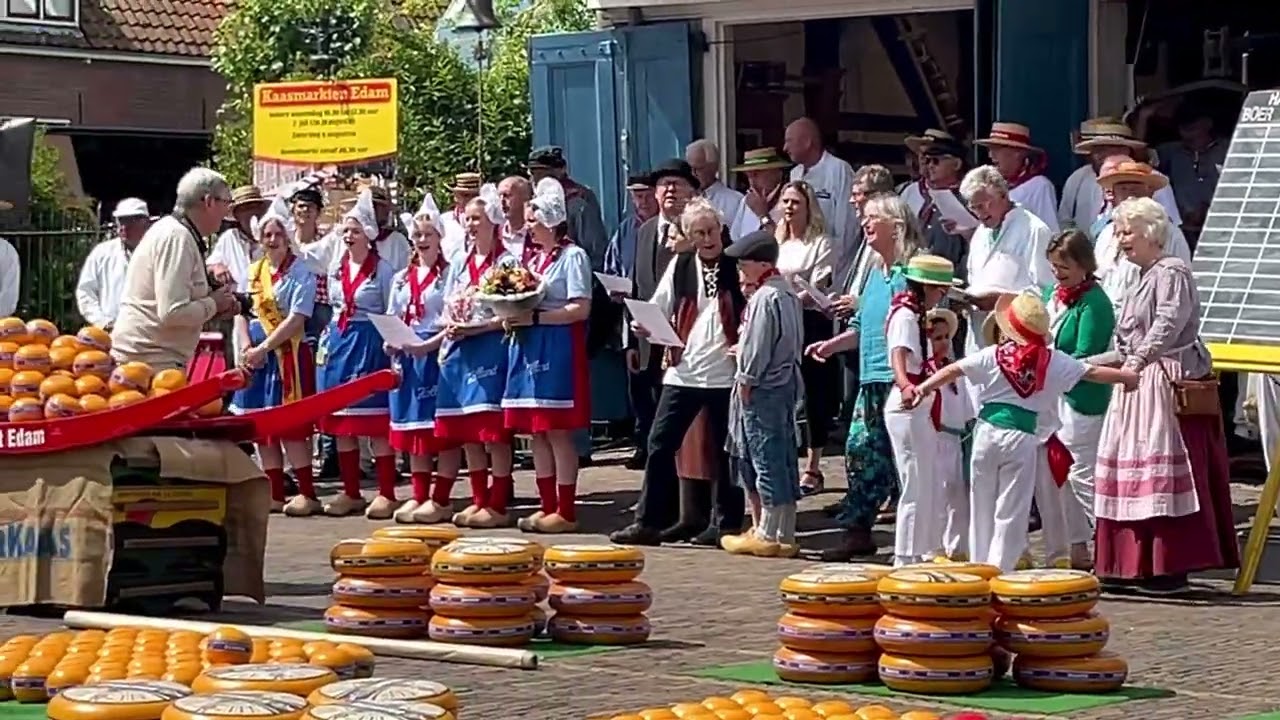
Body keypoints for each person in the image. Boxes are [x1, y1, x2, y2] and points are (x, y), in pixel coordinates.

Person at [907, 293, 1137, 571]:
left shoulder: (992, 355)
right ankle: (1001, 566)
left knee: (982, 504)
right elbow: (1091, 373)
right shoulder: (1051, 360)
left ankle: (981, 564)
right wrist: (1125, 377)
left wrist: (922, 388)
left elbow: (954, 369)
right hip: (1022, 437)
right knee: (1011, 507)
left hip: (987, 433)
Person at [1092, 197, 1239, 594]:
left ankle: (1167, 566)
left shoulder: (1172, 271)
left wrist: (1136, 363)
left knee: (1162, 474)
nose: (1121, 239)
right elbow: (1128, 343)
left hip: (1165, 385)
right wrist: (1084, 365)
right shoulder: (1142, 278)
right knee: (1131, 472)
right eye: (1119, 232)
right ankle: (1128, 565)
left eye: (1128, 231)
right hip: (1137, 385)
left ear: (1150, 232)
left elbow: (1167, 324)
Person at [611, 197, 747, 546]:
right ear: (689, 236)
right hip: (684, 371)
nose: (708, 238)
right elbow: (658, 305)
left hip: (725, 373)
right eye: (699, 233)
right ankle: (648, 522)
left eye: (712, 230)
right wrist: (644, 325)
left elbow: (751, 308)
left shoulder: (737, 264)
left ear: (722, 229)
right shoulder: (681, 264)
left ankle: (726, 524)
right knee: (659, 443)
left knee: (725, 450)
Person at [807, 193, 919, 559]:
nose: (865, 223)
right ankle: (858, 530)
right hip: (871, 377)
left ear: (895, 225)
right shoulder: (874, 273)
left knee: (904, 459)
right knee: (861, 451)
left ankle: (915, 538)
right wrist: (831, 346)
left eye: (873, 217)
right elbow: (861, 326)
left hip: (901, 379)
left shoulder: (911, 273)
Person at [503, 179, 594, 534]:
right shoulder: (532, 258)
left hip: (557, 345)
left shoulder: (573, 256)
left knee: (557, 431)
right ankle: (547, 506)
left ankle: (565, 510)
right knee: (537, 433)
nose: (528, 227)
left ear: (552, 222)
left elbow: (580, 308)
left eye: (534, 221)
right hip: (530, 344)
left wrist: (537, 318)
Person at [229, 196, 321, 516]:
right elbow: (241, 311)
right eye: (267, 234)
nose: (272, 239)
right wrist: (246, 347)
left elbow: (297, 318)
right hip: (257, 355)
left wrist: (263, 348)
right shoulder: (254, 271)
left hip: (287, 353)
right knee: (263, 428)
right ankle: (275, 493)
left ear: (288, 236)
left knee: (290, 427)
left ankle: (307, 492)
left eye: (278, 233)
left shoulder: (302, 272)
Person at [435, 187, 517, 529]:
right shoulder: (459, 261)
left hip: (491, 347)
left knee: (493, 432)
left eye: (477, 218)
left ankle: (498, 503)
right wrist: (451, 324)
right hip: (461, 349)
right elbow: (447, 301)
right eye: (467, 219)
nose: (470, 225)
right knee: (469, 431)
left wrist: (478, 326)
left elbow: (511, 312)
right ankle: (479, 499)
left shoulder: (507, 261)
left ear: (493, 221)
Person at [720, 230, 805, 557]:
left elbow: (757, 346)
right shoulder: (788, 294)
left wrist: (746, 378)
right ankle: (785, 530)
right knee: (782, 455)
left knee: (764, 455)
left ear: (762, 264)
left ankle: (768, 531)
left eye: (745, 264)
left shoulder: (764, 298)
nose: (741, 269)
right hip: (785, 383)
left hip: (764, 386)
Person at [316, 189, 397, 519]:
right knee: (343, 421)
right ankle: (351, 491)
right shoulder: (337, 268)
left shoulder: (383, 270)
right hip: (340, 341)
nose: (349, 236)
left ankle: (387, 492)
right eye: (346, 230)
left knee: (374, 421)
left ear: (369, 234)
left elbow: (392, 309)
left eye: (355, 230)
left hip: (370, 341)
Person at [111, 167, 240, 369]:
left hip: (149, 358)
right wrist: (214, 303)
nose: (227, 212)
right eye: (226, 202)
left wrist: (214, 307)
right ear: (209, 202)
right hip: (150, 363)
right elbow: (172, 312)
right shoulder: (177, 238)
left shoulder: (176, 232)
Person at [386, 197, 463, 525]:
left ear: (440, 237)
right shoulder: (401, 278)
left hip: (437, 355)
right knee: (414, 430)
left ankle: (441, 498)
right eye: (417, 234)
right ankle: (419, 495)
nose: (422, 239)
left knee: (441, 431)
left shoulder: (450, 274)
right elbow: (392, 314)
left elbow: (455, 316)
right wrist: (390, 341)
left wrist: (429, 345)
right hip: (408, 357)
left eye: (428, 234)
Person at [1043, 228, 1115, 569]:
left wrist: (1048, 363)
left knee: (1083, 474)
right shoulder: (1054, 295)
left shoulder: (1095, 303)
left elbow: (1086, 354)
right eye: (1054, 266)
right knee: (1060, 474)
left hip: (1083, 400)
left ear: (1084, 264)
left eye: (1064, 267)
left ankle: (1110, 540)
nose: (1057, 273)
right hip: (1055, 398)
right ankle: (1078, 547)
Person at [883, 255, 959, 566]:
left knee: (925, 479)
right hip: (908, 403)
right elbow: (899, 352)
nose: (943, 295)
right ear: (926, 287)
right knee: (915, 482)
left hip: (920, 402)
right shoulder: (905, 315)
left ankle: (921, 549)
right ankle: (905, 556)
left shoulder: (915, 313)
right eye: (940, 289)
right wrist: (904, 384)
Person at [625, 160, 699, 472]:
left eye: (677, 184)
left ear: (691, 192)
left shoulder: (701, 231)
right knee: (651, 410)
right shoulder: (645, 231)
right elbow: (636, 287)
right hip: (647, 340)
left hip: (686, 341)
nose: (669, 190)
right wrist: (630, 342)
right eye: (663, 185)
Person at [773, 181, 835, 495]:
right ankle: (785, 460)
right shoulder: (777, 241)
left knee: (814, 395)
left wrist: (791, 301)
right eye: (785, 201)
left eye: (795, 202)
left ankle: (813, 466)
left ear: (809, 207)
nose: (789, 207)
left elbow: (818, 284)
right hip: (779, 320)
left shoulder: (821, 242)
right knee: (782, 389)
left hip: (810, 321)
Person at [960, 165, 1055, 355]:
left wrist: (1002, 300)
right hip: (977, 334)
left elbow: (1047, 290)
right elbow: (973, 279)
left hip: (1014, 336)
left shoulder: (1035, 230)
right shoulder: (980, 233)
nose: (979, 213)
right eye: (973, 207)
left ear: (1003, 195)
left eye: (983, 205)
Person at [1093, 160, 1193, 312]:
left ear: (1150, 193)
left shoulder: (1170, 234)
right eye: (1123, 189)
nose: (1129, 196)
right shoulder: (1106, 234)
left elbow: (1180, 291)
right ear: (1113, 194)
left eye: (1135, 190)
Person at [1058, 118, 1182, 233]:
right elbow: (1065, 221)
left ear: (1127, 150)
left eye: (1112, 148)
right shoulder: (1079, 178)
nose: (1103, 155)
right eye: (1098, 149)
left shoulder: (1151, 179)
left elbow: (1170, 226)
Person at [923, 308, 973, 561]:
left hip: (955, 437)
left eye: (946, 337)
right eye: (936, 338)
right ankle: (934, 547)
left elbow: (966, 408)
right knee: (938, 493)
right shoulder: (925, 372)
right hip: (935, 435)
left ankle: (958, 547)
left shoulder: (954, 372)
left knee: (957, 494)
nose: (943, 343)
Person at [785, 118, 858, 280]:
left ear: (807, 142)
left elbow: (848, 226)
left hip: (834, 270)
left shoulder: (839, 169)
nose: (785, 148)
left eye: (789, 141)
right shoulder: (794, 174)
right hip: (799, 266)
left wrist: (830, 267)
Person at [527, 146, 609, 270]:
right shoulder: (535, 199)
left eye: (543, 173)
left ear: (561, 170)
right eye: (533, 173)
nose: (536, 179)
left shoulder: (578, 200)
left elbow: (594, 247)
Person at [77, 197, 151, 330]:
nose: (124, 227)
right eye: (121, 221)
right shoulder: (102, 253)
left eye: (131, 221)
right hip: (107, 333)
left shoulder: (157, 253)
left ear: (145, 223)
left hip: (147, 333)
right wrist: (102, 321)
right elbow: (86, 292)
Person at [974, 123, 1059, 232]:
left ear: (1017, 152)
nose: (991, 155)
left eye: (997, 149)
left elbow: (1050, 231)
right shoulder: (992, 187)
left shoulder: (1039, 186)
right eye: (990, 149)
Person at [208, 185, 269, 294]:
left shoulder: (273, 235)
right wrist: (216, 267)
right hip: (239, 299)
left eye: (254, 207)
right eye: (244, 209)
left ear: (262, 210)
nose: (251, 213)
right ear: (236, 215)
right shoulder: (229, 238)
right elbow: (209, 266)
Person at [604, 172, 657, 283]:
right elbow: (611, 268)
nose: (644, 202)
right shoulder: (624, 229)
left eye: (649, 196)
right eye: (639, 197)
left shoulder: (666, 226)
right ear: (632, 199)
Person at [687, 139, 745, 238]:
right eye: (690, 169)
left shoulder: (735, 201)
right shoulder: (684, 198)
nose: (693, 174)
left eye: (698, 169)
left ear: (714, 167)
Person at [730, 147, 788, 239]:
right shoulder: (746, 201)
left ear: (777, 172)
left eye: (756, 174)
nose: (752, 181)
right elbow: (735, 237)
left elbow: (783, 241)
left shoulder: (789, 200)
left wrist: (763, 215)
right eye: (748, 175)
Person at [438, 173, 482, 260]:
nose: (470, 199)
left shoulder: (486, 222)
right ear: (456, 196)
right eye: (465, 195)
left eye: (474, 195)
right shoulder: (443, 221)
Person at [498, 175, 535, 264]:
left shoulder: (538, 235)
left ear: (525, 198)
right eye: (499, 195)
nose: (502, 201)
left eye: (507, 195)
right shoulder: (495, 236)